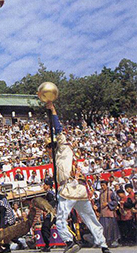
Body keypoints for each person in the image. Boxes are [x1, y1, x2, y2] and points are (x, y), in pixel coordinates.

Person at [45, 102, 110, 253]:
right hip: (78, 190)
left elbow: (58, 129)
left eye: (48, 148)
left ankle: (69, 241)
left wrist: (53, 110)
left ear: (52, 147)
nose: (47, 152)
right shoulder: (58, 158)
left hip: (69, 189)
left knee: (60, 219)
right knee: (90, 217)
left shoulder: (63, 149)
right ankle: (104, 246)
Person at [98, 180, 120, 247]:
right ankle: (105, 242)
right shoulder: (101, 194)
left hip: (109, 213)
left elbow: (115, 202)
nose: (102, 187)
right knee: (104, 228)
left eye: (103, 185)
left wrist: (108, 203)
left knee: (111, 228)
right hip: (102, 213)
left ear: (106, 185)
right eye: (101, 185)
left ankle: (113, 241)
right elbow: (99, 203)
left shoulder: (110, 192)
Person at [40, 178, 56, 252]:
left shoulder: (50, 194)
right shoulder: (51, 193)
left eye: (45, 184)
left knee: (44, 228)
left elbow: (52, 202)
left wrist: (47, 208)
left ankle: (47, 245)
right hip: (54, 213)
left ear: (48, 186)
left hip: (51, 214)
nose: (44, 186)